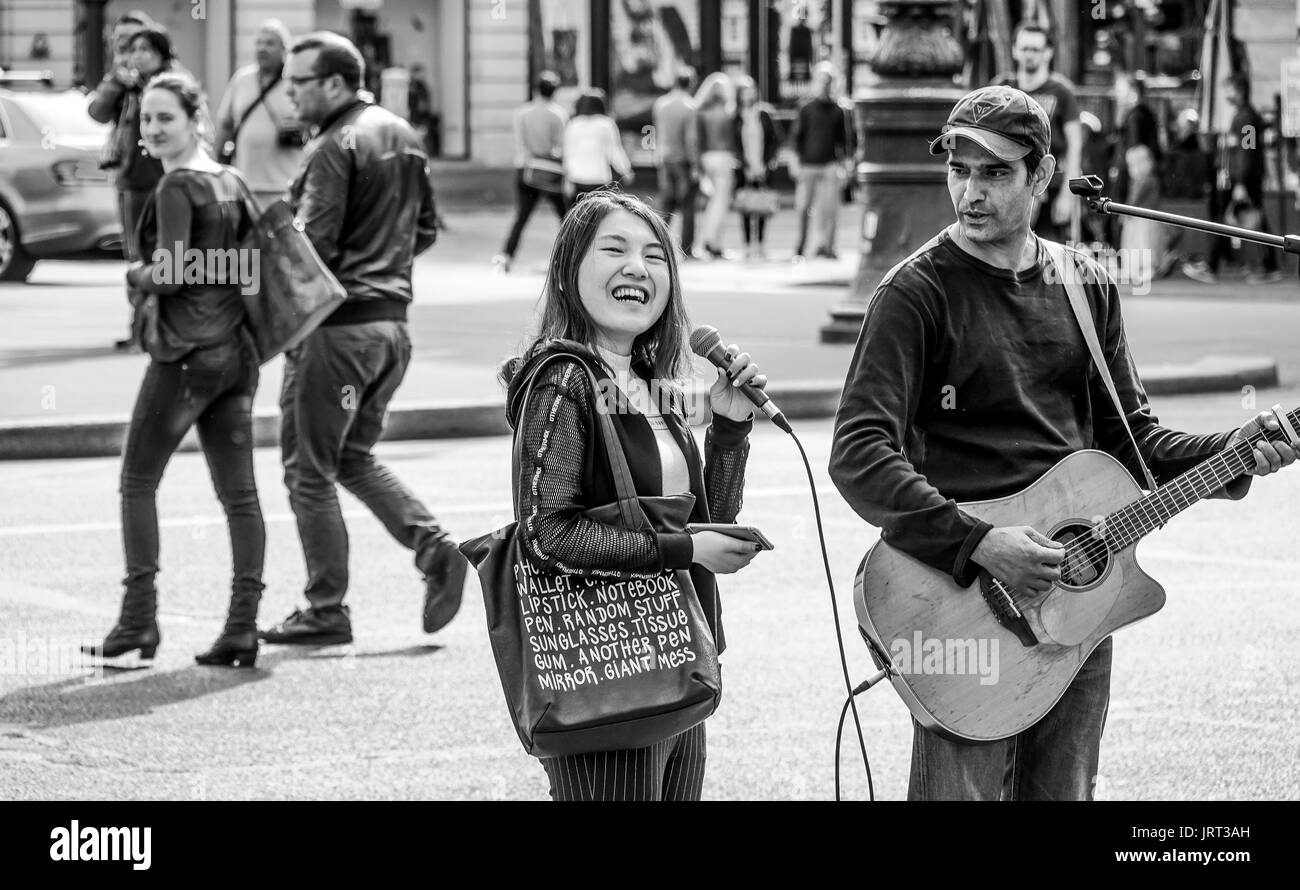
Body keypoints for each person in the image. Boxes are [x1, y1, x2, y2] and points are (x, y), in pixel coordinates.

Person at [827, 85, 1296, 801]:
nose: (970, 192)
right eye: (960, 171)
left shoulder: (1084, 285)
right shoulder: (914, 293)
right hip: (963, 598)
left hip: (1079, 602)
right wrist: (981, 542)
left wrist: (1238, 447)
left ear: (1043, 175)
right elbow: (859, 453)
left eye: (996, 173)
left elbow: (1134, 443)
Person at [498, 190, 766, 800]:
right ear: (569, 272)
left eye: (655, 256)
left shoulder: (646, 384)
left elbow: (708, 522)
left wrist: (729, 425)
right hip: (607, 675)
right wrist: (686, 554)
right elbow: (548, 535)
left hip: (678, 661)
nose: (637, 269)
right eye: (613, 250)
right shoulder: (564, 379)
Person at [258, 32, 464, 646]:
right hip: (391, 329)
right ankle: (435, 548)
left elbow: (309, 250)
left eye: (299, 81)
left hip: (337, 334)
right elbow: (426, 229)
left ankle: (326, 609)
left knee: (308, 469)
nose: (288, 92)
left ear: (335, 84)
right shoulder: (402, 134)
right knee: (349, 457)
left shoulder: (331, 146)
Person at [82, 71, 265, 669]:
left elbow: (174, 271)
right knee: (239, 496)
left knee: (137, 482)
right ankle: (241, 628)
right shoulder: (232, 180)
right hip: (235, 355)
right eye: (146, 119)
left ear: (195, 120)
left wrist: (134, 274)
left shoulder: (176, 187)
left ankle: (138, 621)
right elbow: (251, 270)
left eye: (166, 118)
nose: (153, 129)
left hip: (185, 355)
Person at [87, 16, 171, 350]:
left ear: (161, 53)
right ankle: (140, 326)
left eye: (142, 48)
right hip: (130, 179)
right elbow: (96, 112)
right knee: (136, 256)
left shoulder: (170, 83)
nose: (134, 54)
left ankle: (155, 328)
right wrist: (115, 82)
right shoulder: (125, 85)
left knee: (163, 255)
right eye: (127, 47)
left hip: (162, 180)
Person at [1184, 74, 1284, 285]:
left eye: (1228, 90)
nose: (1225, 95)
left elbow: (1247, 151)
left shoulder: (1245, 118)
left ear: (1238, 91)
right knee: (1247, 220)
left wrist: (1240, 182)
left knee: (1234, 220)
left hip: (1244, 180)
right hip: (1246, 178)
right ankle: (1267, 266)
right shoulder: (1245, 115)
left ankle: (1215, 265)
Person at [991, 23, 1081, 242]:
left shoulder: (1062, 92)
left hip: (1049, 186)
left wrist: (1068, 195)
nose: (1029, 55)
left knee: (1047, 257)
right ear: (1014, 50)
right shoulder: (1002, 88)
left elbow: (1075, 146)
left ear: (1048, 52)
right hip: (1007, 186)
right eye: (1024, 48)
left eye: (1035, 49)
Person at [213, 19, 304, 211]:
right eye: (259, 43)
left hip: (284, 185)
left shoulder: (295, 82)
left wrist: (301, 129)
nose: (262, 48)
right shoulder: (241, 79)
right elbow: (225, 124)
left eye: (270, 43)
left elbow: (312, 124)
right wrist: (214, 163)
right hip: (245, 185)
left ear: (284, 49)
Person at [494, 70, 568, 274]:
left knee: (522, 216)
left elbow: (520, 143)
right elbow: (560, 146)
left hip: (526, 169)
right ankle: (571, 256)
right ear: (555, 91)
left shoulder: (522, 112)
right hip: (551, 171)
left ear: (536, 89)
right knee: (565, 216)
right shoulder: (558, 114)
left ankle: (506, 256)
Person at [789, 62, 849, 260]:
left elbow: (845, 140)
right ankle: (800, 246)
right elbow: (796, 137)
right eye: (822, 80)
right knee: (803, 208)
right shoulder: (806, 108)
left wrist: (846, 164)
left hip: (830, 164)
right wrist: (795, 161)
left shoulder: (838, 110)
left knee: (830, 209)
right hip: (808, 164)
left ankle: (828, 247)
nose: (825, 85)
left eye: (828, 81)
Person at [651, 67, 699, 258]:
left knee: (666, 204)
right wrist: (695, 164)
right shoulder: (690, 106)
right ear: (691, 83)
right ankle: (687, 248)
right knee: (688, 205)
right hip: (682, 160)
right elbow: (691, 139)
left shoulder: (661, 103)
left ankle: (656, 243)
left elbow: (656, 130)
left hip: (664, 158)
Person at [732, 74, 780, 261]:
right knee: (745, 206)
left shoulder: (764, 114)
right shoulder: (736, 116)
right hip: (744, 169)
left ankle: (760, 244)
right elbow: (733, 143)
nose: (748, 96)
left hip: (763, 167)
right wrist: (744, 165)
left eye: (751, 92)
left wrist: (767, 163)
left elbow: (775, 140)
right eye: (745, 92)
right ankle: (746, 246)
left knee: (761, 207)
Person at [694, 73, 739, 259]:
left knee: (713, 202)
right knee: (720, 203)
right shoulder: (728, 112)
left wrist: (698, 165)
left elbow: (697, 139)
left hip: (706, 157)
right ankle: (711, 242)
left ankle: (711, 242)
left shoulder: (700, 111)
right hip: (723, 157)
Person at [562, 89, 632, 202]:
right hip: (599, 178)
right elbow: (614, 151)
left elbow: (567, 154)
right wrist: (625, 170)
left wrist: (566, 179)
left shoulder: (573, 124)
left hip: (576, 177)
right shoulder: (606, 124)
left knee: (578, 215)